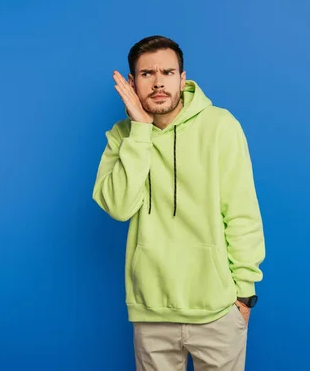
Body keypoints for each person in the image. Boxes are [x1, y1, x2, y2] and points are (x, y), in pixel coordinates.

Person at [92, 35, 265, 371]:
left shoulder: (220, 126)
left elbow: (242, 213)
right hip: (151, 310)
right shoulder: (121, 135)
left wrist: (244, 294)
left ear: (182, 79)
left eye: (168, 72)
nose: (158, 83)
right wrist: (140, 132)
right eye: (147, 74)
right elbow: (118, 206)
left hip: (217, 309)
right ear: (132, 82)